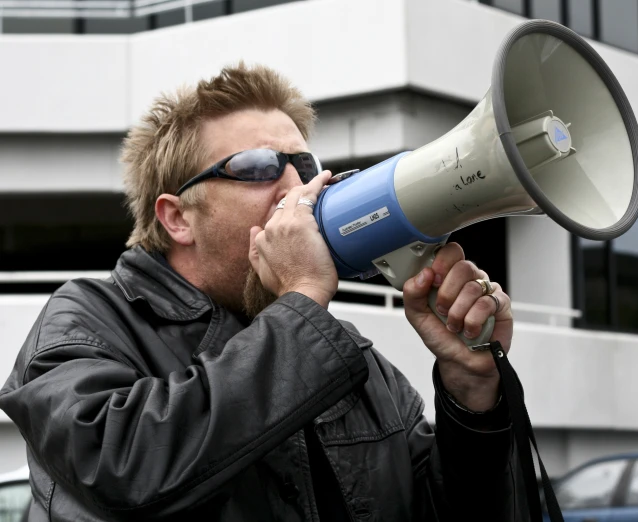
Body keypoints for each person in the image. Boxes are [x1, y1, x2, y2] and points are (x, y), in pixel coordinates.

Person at [0, 63, 522, 521]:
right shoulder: (88, 320)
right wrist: (302, 298)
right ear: (178, 218)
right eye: (257, 167)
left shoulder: (347, 353)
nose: (297, 188)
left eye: (306, 166)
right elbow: (123, 470)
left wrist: (471, 396)